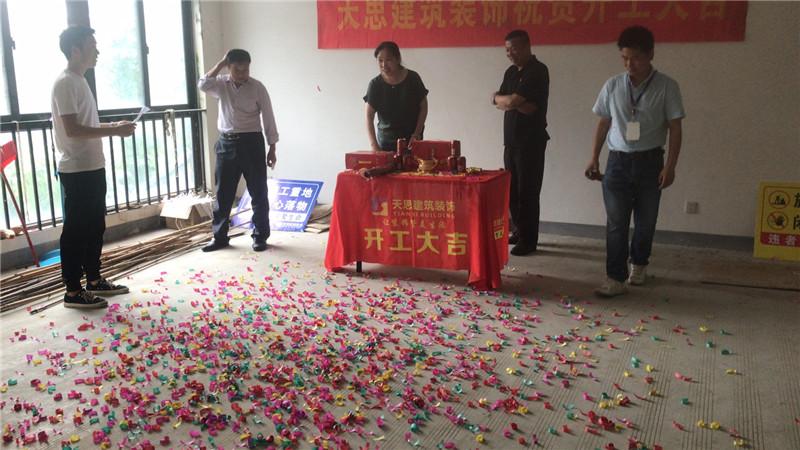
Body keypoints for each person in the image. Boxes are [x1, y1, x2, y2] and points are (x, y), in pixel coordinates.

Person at [586, 26, 685, 297]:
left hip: (650, 162)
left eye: (636, 58)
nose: (629, 64)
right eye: (625, 58)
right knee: (616, 222)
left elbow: (675, 129)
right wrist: (594, 158)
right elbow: (603, 122)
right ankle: (614, 278)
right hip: (617, 162)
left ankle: (639, 263)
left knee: (646, 221)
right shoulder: (613, 85)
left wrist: (670, 166)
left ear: (650, 55)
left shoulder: (667, 86)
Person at [51, 25, 136, 309]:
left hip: (93, 165)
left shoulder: (80, 80)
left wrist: (114, 125)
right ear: (75, 49)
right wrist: (114, 131)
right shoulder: (65, 82)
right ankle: (73, 291)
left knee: (95, 226)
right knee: (77, 230)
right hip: (77, 169)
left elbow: (85, 123)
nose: (97, 51)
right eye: (91, 45)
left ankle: (94, 280)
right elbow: (73, 129)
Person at [198, 49, 279, 253]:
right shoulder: (220, 84)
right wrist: (220, 63)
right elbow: (202, 85)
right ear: (229, 68)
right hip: (226, 143)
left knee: (258, 192)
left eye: (245, 70)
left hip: (252, 142)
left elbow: (268, 118)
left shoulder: (258, 87)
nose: (241, 74)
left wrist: (272, 148)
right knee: (223, 193)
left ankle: (260, 236)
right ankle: (219, 237)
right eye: (236, 70)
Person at [491, 30, 549, 256]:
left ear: (527, 46)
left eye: (514, 48)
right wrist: (509, 102)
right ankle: (519, 230)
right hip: (511, 141)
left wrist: (508, 102)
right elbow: (497, 100)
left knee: (528, 192)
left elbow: (509, 100)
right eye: (507, 49)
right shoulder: (510, 72)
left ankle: (529, 240)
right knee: (512, 191)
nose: (510, 53)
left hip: (531, 142)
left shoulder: (537, 70)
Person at [364, 41, 428, 152]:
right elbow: (368, 117)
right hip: (385, 144)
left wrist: (416, 134)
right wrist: (374, 145)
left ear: (398, 59)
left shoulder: (413, 78)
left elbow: (423, 107)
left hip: (412, 143)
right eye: (380, 60)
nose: (384, 65)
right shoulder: (375, 85)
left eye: (388, 60)